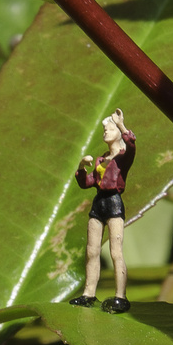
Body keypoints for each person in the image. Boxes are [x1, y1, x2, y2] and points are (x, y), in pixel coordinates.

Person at [70, 108, 135, 314]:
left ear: (117, 133)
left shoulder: (122, 157)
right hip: (99, 203)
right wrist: (81, 166)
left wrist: (122, 124)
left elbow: (132, 144)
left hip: (114, 203)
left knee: (115, 251)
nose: (105, 132)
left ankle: (120, 296)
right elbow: (87, 183)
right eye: (104, 130)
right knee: (92, 251)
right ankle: (89, 293)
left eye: (109, 129)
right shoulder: (100, 160)